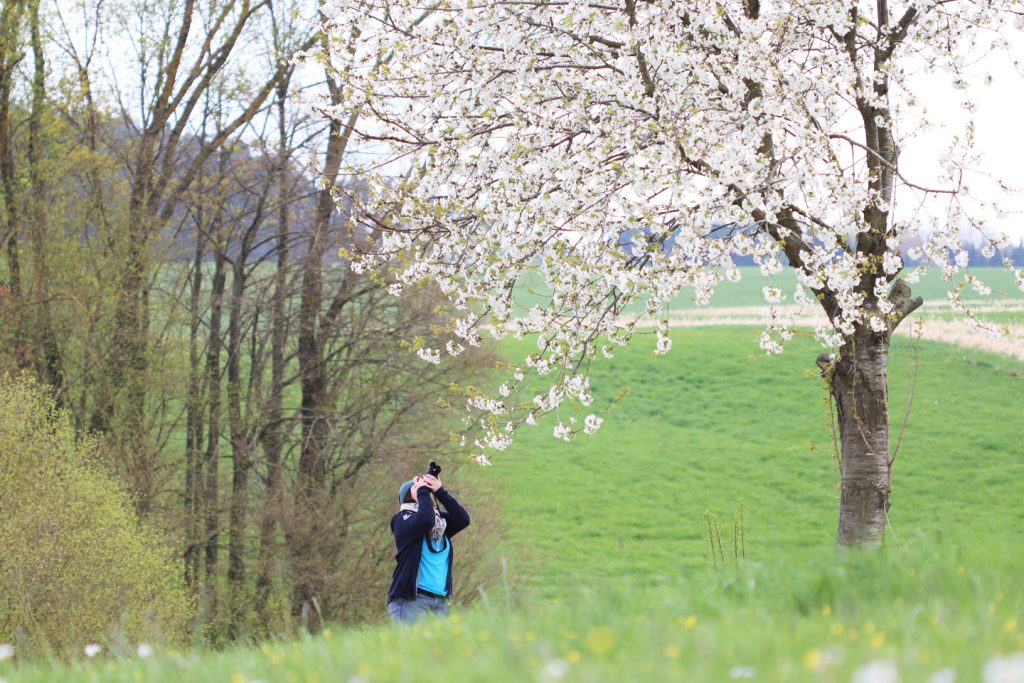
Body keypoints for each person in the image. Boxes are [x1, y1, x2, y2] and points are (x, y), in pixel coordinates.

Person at [387, 472, 471, 623]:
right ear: (407, 495)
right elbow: (425, 521)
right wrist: (422, 492)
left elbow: (463, 519)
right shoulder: (402, 520)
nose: (424, 490)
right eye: (418, 487)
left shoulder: (439, 524)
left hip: (440, 603)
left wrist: (440, 491)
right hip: (411, 602)